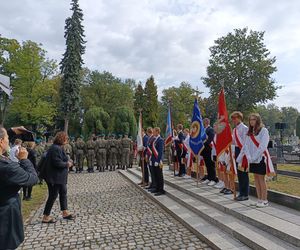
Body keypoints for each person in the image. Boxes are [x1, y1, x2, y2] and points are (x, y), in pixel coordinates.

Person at [0, 127, 39, 250]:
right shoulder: (7, 167)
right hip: (5, 218)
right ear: (1, 141)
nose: (9, 141)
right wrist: (24, 160)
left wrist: (10, 131)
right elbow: (32, 179)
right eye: (7, 138)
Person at [237, 113, 275, 208]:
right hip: (252, 158)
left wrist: (254, 157)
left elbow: (262, 146)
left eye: (254, 119)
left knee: (261, 179)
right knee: (256, 178)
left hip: (261, 158)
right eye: (250, 120)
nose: (252, 121)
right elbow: (246, 146)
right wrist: (243, 157)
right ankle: (259, 199)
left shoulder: (264, 130)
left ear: (258, 120)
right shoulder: (250, 132)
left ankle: (265, 200)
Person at [41, 131, 74, 223]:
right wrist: (67, 164)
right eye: (66, 138)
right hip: (54, 177)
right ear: (61, 139)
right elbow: (57, 162)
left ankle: (65, 212)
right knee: (53, 195)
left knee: (63, 192)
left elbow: (63, 158)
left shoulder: (58, 147)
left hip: (59, 177)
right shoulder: (55, 148)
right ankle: (46, 216)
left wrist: (69, 160)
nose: (67, 140)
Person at [231, 111, 249, 201]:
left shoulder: (244, 128)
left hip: (244, 151)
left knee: (243, 173)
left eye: (234, 118)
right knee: (239, 173)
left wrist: (242, 153)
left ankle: (245, 193)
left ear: (239, 118)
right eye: (232, 118)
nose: (233, 120)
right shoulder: (234, 129)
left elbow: (246, 142)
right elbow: (234, 142)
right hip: (237, 150)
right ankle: (241, 192)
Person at [201, 118, 218, 186]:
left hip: (208, 149)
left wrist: (203, 143)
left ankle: (213, 179)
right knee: (207, 164)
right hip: (204, 150)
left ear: (207, 122)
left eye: (204, 121)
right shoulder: (203, 130)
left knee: (211, 164)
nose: (203, 122)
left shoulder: (210, 129)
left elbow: (210, 139)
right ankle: (208, 177)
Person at [150, 127, 165, 196]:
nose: (153, 133)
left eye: (154, 132)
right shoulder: (155, 140)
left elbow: (160, 152)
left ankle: (161, 190)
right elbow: (153, 151)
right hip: (154, 160)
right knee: (155, 175)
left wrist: (158, 160)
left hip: (158, 161)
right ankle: (157, 188)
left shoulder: (160, 140)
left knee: (159, 175)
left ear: (157, 132)